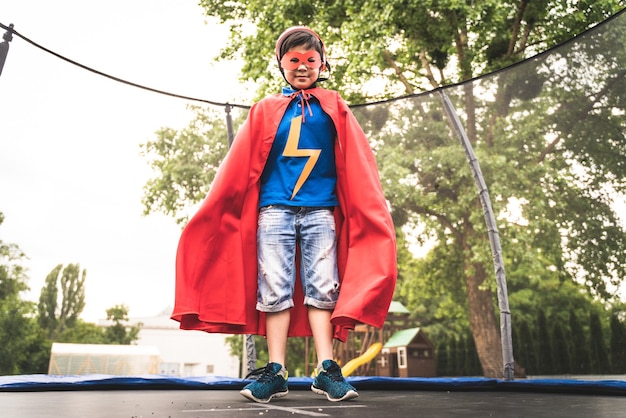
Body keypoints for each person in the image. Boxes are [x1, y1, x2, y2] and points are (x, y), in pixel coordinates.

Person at [171, 26, 397, 404]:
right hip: (274, 210)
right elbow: (241, 166)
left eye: (310, 60)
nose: (302, 66)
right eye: (294, 60)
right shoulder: (265, 109)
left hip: (321, 210)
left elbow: (356, 164)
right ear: (281, 65)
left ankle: (326, 370)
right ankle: (276, 372)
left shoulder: (335, 106)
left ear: (323, 64)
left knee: (324, 287)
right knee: (273, 287)